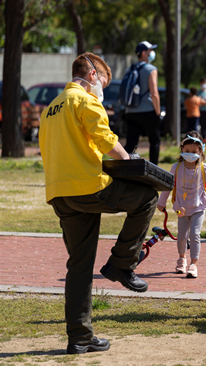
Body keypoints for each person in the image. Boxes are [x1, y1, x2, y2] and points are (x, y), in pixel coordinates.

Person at [39, 53, 158, 354]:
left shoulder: (50, 108)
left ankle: (79, 338)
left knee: (78, 267)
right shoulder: (85, 100)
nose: (103, 88)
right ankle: (122, 264)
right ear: (92, 75)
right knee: (147, 198)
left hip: (59, 194)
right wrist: (129, 159)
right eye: (103, 81)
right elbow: (104, 138)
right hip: (90, 187)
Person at [157, 131, 206, 278]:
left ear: (201, 151)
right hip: (181, 209)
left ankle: (193, 264)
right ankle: (182, 259)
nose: (190, 154)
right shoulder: (176, 168)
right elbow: (167, 187)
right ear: (182, 150)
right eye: (187, 151)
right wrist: (161, 203)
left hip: (198, 209)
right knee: (182, 237)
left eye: (194, 151)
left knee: (194, 234)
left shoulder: (204, 169)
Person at [124, 41, 161, 165]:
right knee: (155, 141)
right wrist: (158, 112)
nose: (152, 53)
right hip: (148, 111)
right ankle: (155, 170)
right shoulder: (151, 69)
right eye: (150, 51)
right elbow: (154, 93)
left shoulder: (130, 69)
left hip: (131, 111)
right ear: (144, 53)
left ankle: (125, 169)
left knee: (131, 144)